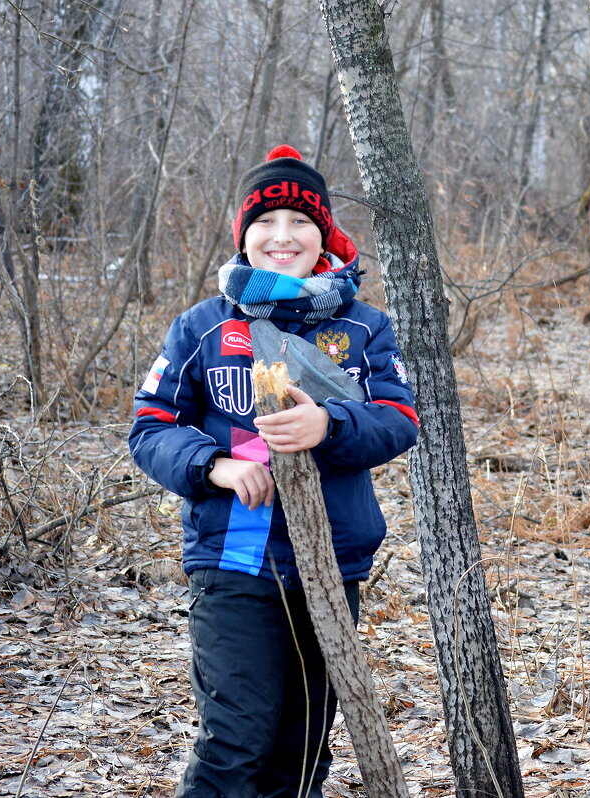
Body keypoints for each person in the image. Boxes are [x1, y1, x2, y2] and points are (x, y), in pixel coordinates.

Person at [129, 145, 418, 798]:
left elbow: (401, 419)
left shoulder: (365, 328)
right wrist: (216, 467)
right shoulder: (203, 327)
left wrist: (330, 426)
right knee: (236, 741)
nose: (282, 237)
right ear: (243, 234)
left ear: (324, 236)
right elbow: (150, 429)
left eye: (300, 223)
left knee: (302, 747)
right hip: (232, 561)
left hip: (330, 562)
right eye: (266, 222)